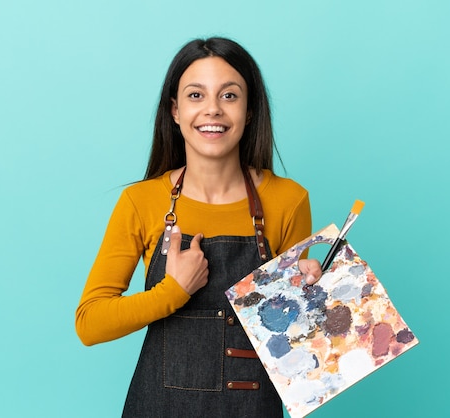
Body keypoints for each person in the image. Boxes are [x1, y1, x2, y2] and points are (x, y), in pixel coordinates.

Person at [75, 37, 322, 417]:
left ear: (250, 110)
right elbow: (89, 324)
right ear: (174, 110)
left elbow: (293, 346)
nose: (212, 109)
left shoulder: (288, 200)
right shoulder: (142, 202)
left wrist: (309, 297)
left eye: (229, 96)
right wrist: (171, 292)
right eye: (195, 95)